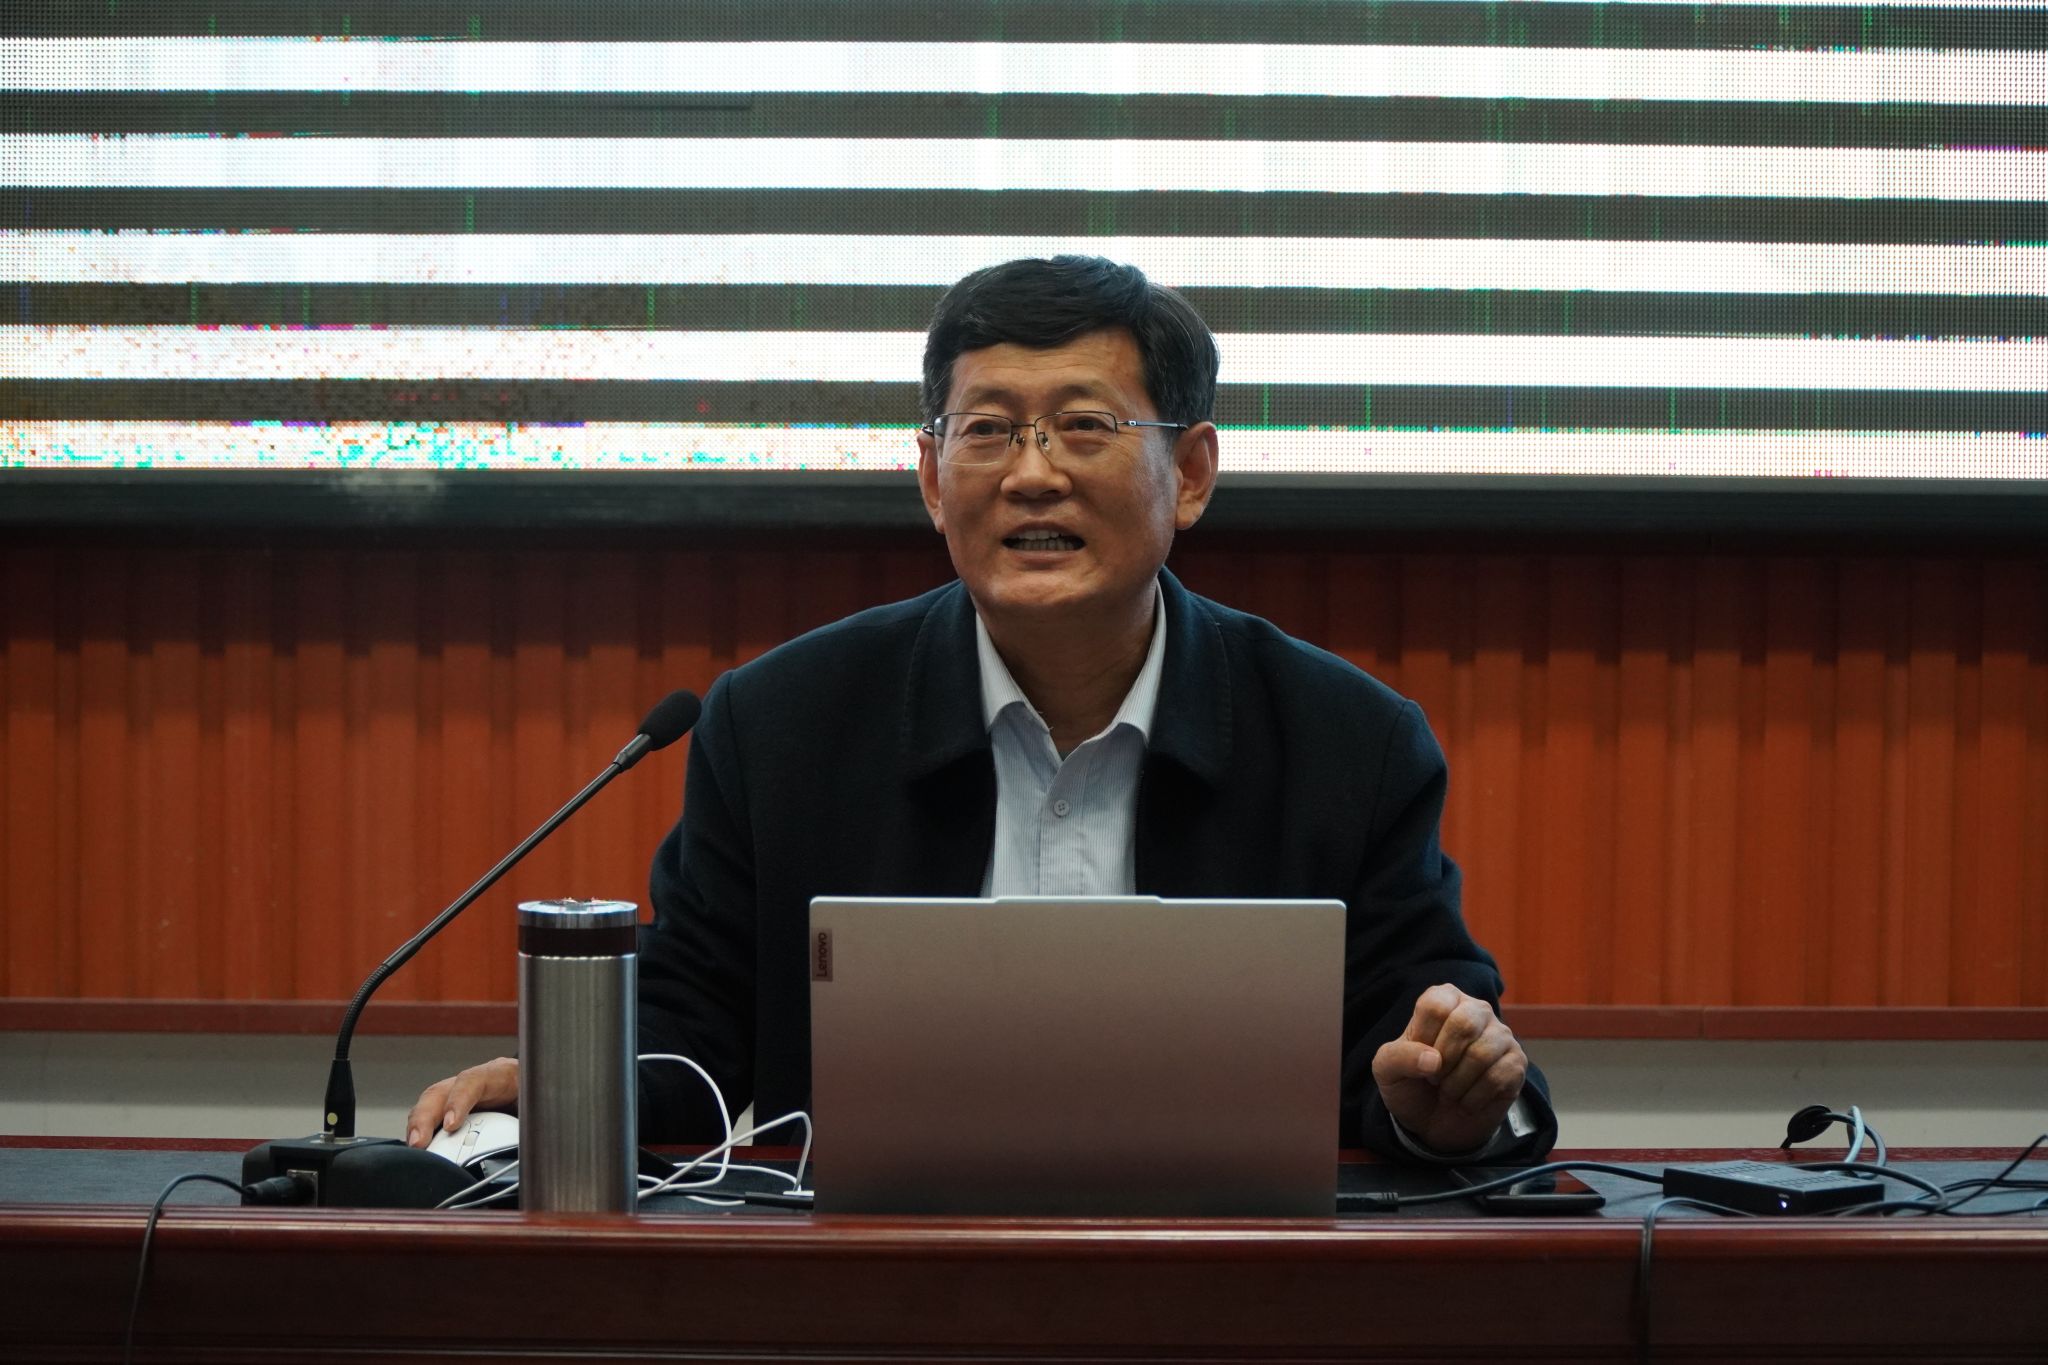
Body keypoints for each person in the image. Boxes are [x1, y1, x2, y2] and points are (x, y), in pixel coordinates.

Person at [410, 256, 1556, 1163]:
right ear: (929, 476)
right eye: (988, 428)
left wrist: (1444, 1100)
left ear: (1190, 473)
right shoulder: (782, 725)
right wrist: (573, 1084)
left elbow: (1429, 1037)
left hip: (1225, 1295)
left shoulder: (1346, 742)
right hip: (869, 1301)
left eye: (1084, 426)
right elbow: (692, 1032)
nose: (1030, 472)